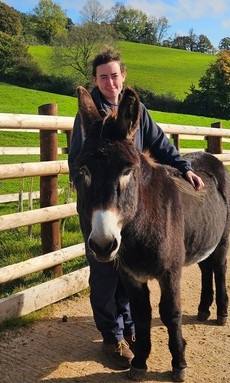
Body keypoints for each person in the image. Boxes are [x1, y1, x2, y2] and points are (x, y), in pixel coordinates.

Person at [67, 46, 204, 369]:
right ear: (96, 80)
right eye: (103, 77)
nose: (110, 82)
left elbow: (160, 143)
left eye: (114, 76)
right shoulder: (89, 118)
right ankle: (112, 336)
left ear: (122, 76)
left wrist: (184, 168)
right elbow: (77, 160)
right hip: (100, 205)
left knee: (130, 274)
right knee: (104, 275)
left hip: (129, 206)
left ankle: (130, 328)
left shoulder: (136, 113)